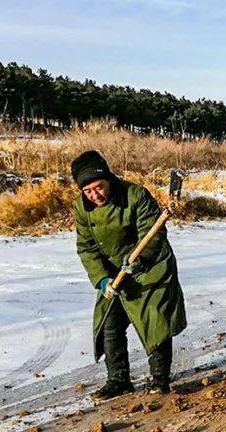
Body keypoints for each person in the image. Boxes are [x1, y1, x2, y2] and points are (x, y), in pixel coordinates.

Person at [71, 150, 187, 398]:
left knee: (154, 320)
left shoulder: (135, 195)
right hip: (115, 272)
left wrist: (140, 259)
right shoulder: (81, 208)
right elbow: (87, 248)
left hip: (150, 266)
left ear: (108, 179)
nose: (95, 195)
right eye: (88, 191)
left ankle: (160, 381)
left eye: (99, 187)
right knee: (109, 323)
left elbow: (153, 233)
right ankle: (118, 380)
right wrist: (102, 279)